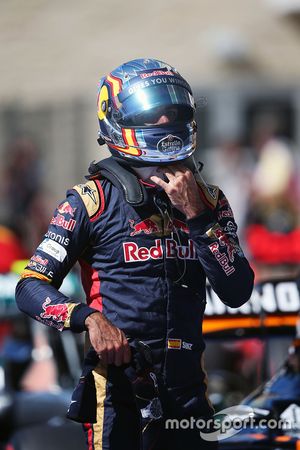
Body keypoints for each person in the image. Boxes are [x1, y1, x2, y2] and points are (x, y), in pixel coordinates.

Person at [15, 58, 254, 450]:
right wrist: (89, 319)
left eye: (172, 112)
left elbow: (237, 289)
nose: (164, 122)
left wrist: (196, 217)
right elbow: (30, 286)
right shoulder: (89, 201)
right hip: (118, 388)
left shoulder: (209, 200)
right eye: (153, 114)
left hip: (188, 389)